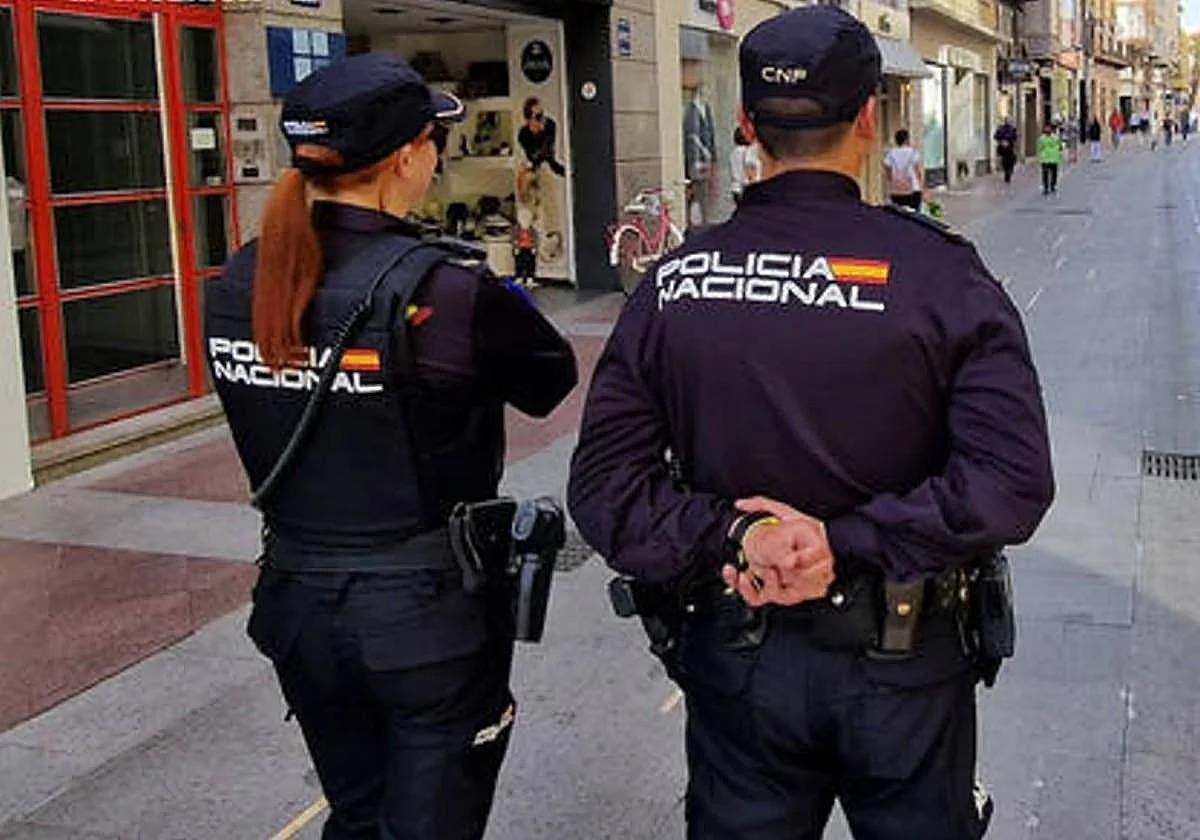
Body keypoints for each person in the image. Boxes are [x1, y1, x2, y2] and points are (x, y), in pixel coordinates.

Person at [568, 7, 1054, 839]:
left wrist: (737, 536)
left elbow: (605, 488)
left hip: (737, 658)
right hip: (903, 666)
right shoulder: (940, 274)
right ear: (870, 117)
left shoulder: (676, 283)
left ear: (746, 126)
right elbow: (1012, 483)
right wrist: (847, 541)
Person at [204, 54, 578, 839]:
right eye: (432, 142)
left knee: (359, 813)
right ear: (407, 156)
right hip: (423, 621)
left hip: (297, 605)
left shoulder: (242, 278)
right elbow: (549, 377)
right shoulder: (442, 288)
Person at [517, 96, 566, 176]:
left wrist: (542, 131)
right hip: (535, 168)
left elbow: (548, 152)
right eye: (538, 116)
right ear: (529, 119)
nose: (543, 119)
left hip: (551, 165)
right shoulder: (523, 134)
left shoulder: (550, 125)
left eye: (542, 114)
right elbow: (533, 157)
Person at [883, 128, 923, 209]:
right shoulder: (913, 153)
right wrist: (922, 187)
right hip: (914, 189)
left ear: (896, 140)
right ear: (907, 140)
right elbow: (919, 172)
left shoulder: (890, 154)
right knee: (914, 216)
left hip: (896, 190)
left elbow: (888, 173)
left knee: (898, 216)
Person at [730, 126, 761, 206]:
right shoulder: (749, 151)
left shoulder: (734, 152)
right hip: (745, 188)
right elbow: (750, 169)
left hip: (735, 188)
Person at [1038, 122, 1064, 194]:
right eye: (1046, 128)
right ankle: (1046, 187)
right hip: (1045, 159)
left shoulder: (1055, 137)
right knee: (1045, 173)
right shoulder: (1042, 138)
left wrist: (1059, 153)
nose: (1047, 129)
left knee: (1054, 173)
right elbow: (1040, 148)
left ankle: (1053, 185)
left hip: (1054, 158)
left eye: (1048, 128)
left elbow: (1060, 147)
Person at [994, 117, 1018, 184]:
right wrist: (1001, 141)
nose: (1008, 121)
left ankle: (1009, 171)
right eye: (1007, 120)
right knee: (1005, 161)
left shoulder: (1012, 129)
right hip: (1003, 148)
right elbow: (996, 136)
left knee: (1011, 160)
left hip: (1010, 147)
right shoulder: (1001, 128)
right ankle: (1007, 172)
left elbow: (1015, 137)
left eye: (1009, 120)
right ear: (1005, 121)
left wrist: (1010, 142)